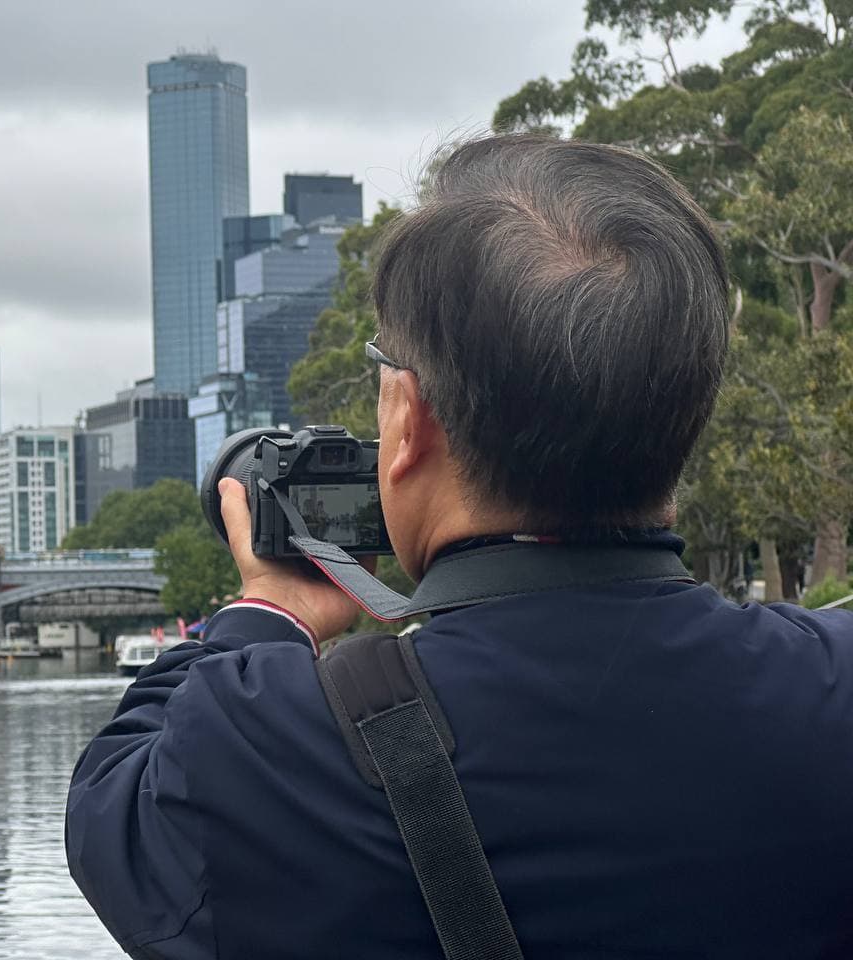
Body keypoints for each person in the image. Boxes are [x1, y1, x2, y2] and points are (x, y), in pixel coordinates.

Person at [65, 135, 853, 959]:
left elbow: (115, 808)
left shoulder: (280, 756)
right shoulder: (833, 690)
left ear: (410, 419)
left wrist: (269, 611)